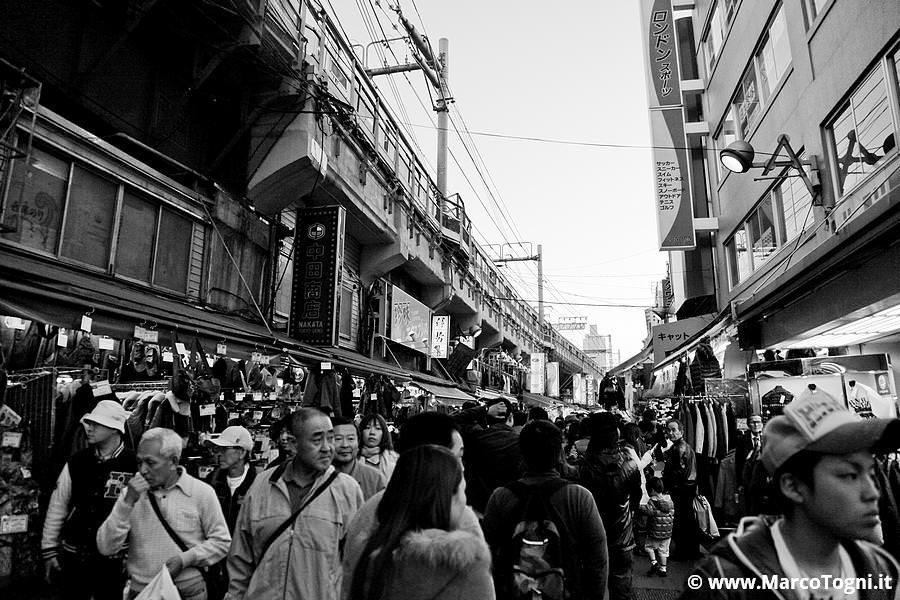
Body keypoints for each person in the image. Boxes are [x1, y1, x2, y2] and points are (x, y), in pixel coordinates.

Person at [681, 387, 900, 599]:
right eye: (850, 475)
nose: (873, 493)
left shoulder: (880, 569)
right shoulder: (724, 583)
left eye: (871, 474)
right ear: (793, 487)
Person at [341, 411, 482, 600]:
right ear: (434, 458)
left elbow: (350, 584)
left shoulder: (368, 511)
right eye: (457, 457)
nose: (462, 467)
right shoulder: (459, 517)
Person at [226, 408, 363, 600]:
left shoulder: (347, 490)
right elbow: (241, 559)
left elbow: (357, 564)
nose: (327, 447)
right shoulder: (261, 487)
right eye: (317, 440)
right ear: (293, 443)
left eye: (330, 438)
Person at [96, 427, 231, 600]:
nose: (143, 470)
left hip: (188, 590)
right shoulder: (131, 494)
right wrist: (127, 502)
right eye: (139, 463)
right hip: (143, 589)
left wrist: (186, 559)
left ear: (173, 462)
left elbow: (221, 542)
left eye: (150, 463)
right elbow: (106, 547)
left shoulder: (201, 493)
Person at [483, 419, 608, 600]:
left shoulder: (501, 497)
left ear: (522, 452)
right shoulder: (579, 497)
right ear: (559, 452)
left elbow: (487, 555)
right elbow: (598, 560)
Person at [42, 400, 137, 600]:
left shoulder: (134, 464)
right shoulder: (77, 461)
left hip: (116, 560)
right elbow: (58, 505)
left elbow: (144, 514)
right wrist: (49, 549)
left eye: (97, 423)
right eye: (90, 423)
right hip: (75, 554)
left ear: (114, 429)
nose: (89, 428)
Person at [577, 412, 642, 600]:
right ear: (616, 433)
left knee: (591, 587)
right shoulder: (629, 464)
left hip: (591, 536)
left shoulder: (583, 467)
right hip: (622, 534)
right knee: (621, 585)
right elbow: (636, 498)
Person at [454, 398, 524, 514]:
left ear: (486, 418)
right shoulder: (522, 443)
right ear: (511, 417)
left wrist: (484, 409)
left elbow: (450, 422)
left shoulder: (474, 439)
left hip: (478, 508)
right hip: (511, 507)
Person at [657, 418, 700, 560]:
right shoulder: (681, 446)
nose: (670, 433)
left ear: (681, 431)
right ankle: (692, 551)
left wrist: (667, 483)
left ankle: (682, 552)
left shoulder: (679, 448)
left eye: (674, 430)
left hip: (682, 489)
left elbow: (679, 472)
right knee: (688, 520)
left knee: (682, 521)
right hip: (687, 488)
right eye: (668, 430)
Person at [205, 425, 257, 533]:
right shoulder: (212, 481)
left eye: (224, 449)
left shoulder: (258, 483)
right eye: (217, 449)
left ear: (242, 452)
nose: (219, 454)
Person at [332, 416, 386, 500]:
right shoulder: (318, 477)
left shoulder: (375, 479)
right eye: (338, 439)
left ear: (358, 442)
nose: (345, 445)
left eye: (350, 439)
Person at [640, 477, 674, 577]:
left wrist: (638, 506)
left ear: (652, 490)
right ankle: (663, 569)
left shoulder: (652, 502)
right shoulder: (669, 500)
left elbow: (647, 511)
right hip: (667, 533)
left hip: (654, 532)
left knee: (649, 547)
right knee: (664, 552)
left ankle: (654, 563)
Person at [358, 413, 399, 482]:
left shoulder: (394, 459)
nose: (372, 432)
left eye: (378, 428)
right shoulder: (352, 458)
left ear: (384, 432)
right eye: (367, 428)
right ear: (361, 431)